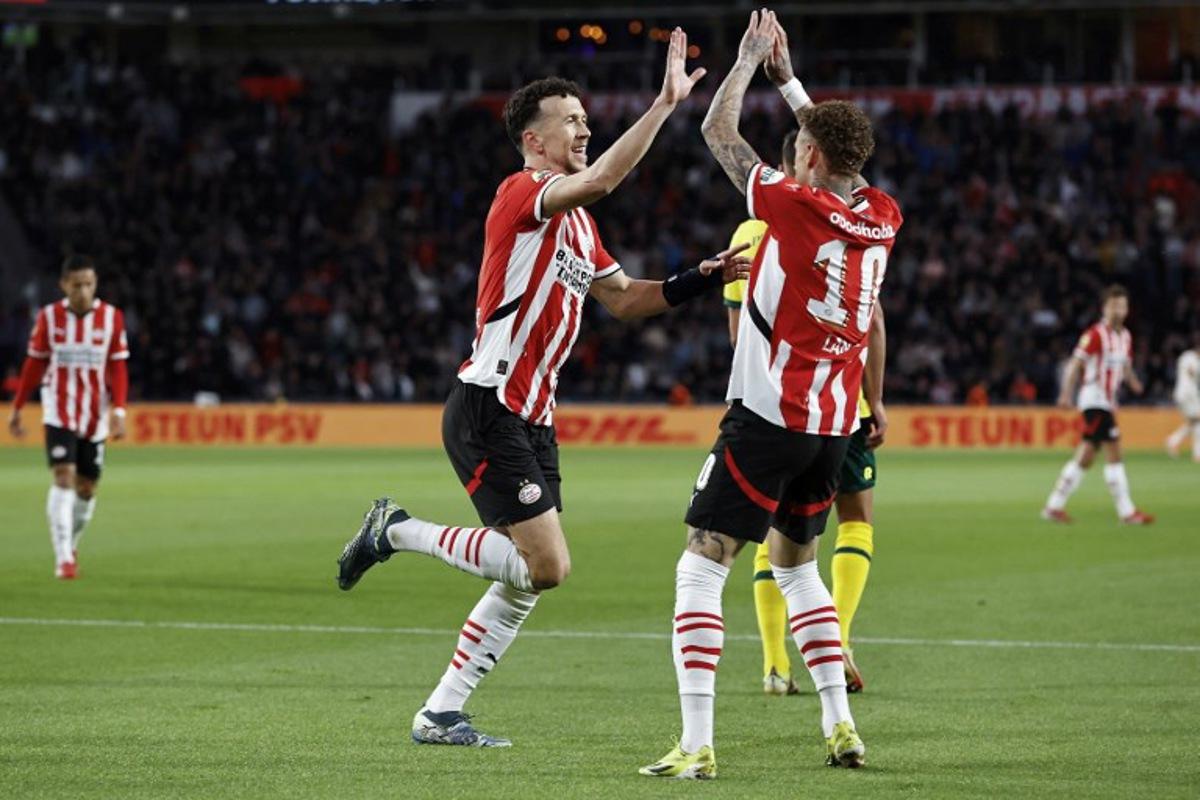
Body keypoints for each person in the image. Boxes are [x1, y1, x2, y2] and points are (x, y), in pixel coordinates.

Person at [335, 29, 750, 748]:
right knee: (548, 566)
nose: (585, 127)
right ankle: (394, 529)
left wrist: (698, 278)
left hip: (532, 417)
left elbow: (624, 300)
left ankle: (439, 713)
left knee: (531, 577)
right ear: (534, 140)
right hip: (487, 404)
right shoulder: (522, 193)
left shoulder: (581, 230)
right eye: (572, 120)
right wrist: (663, 104)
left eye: (587, 119)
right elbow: (601, 180)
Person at [641, 11, 903, 779]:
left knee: (700, 565)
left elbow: (719, 134)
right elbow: (835, 152)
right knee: (797, 571)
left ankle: (696, 742)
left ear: (809, 159)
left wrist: (751, 60)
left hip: (766, 419)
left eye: (801, 150)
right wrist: (791, 82)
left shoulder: (790, 205)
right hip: (833, 427)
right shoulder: (883, 216)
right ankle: (841, 727)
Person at [724, 131, 887, 697]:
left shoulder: (753, 228)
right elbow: (874, 320)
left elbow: (738, 324)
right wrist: (878, 396)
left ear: (803, 157)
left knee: (771, 538)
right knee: (853, 522)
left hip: (776, 403)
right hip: (845, 404)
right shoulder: (869, 218)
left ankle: (775, 662)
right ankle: (836, 638)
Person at [7, 255, 130, 579]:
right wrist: (18, 407)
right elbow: (34, 365)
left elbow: (117, 367)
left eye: (89, 284)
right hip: (59, 409)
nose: (83, 291)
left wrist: (119, 410)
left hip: (95, 413)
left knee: (87, 487)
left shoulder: (112, 318)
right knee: (63, 476)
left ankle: (71, 542)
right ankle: (63, 558)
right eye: (76, 284)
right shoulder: (48, 318)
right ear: (64, 285)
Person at [1042, 285, 1154, 525]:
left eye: (1122, 306)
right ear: (1105, 308)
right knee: (1114, 452)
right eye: (1114, 305)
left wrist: (1134, 383)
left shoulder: (1125, 337)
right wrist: (1065, 393)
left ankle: (1053, 506)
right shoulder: (1095, 334)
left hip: (1107, 403)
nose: (1118, 310)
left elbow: (1124, 366)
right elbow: (1075, 363)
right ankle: (1127, 512)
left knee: (1086, 456)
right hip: (1094, 400)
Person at [1165, 332, 1200, 461]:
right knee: (1197, 420)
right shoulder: (1189, 357)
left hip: (1187, 394)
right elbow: (1191, 371)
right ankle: (1197, 453)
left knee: (1194, 421)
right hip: (1187, 394)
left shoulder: (1188, 357)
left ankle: (1173, 441)